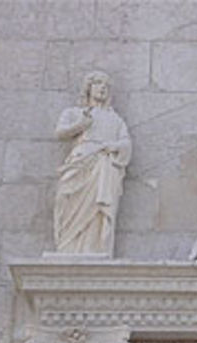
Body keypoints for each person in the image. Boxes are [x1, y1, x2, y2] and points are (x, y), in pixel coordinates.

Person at [53, 71, 131, 255]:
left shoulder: (115, 119)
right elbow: (60, 133)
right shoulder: (74, 112)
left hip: (104, 165)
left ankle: (95, 247)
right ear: (88, 88)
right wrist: (81, 124)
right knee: (66, 197)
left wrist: (112, 146)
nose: (102, 88)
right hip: (80, 161)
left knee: (98, 207)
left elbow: (126, 143)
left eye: (105, 85)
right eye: (97, 83)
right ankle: (68, 245)